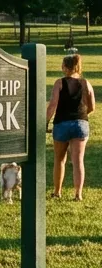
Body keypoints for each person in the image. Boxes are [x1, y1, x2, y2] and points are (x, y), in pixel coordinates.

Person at [47, 52, 96, 200]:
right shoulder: (86, 83)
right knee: (78, 161)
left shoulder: (59, 83)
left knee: (59, 159)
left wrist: (46, 122)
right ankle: (78, 194)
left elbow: (53, 105)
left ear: (64, 67)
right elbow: (92, 106)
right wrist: (81, 115)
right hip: (81, 124)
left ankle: (57, 192)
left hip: (62, 124)